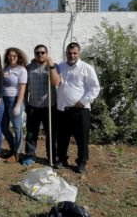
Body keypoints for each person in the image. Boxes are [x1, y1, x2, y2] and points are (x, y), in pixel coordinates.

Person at [52, 42, 100, 174]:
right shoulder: (60, 67)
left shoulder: (86, 68)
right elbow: (55, 81)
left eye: (74, 53)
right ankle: (62, 159)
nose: (72, 55)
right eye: (69, 53)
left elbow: (95, 87)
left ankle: (81, 162)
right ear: (66, 53)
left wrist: (84, 101)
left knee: (82, 138)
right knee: (62, 137)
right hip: (63, 109)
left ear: (79, 53)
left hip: (81, 110)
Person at [22, 45, 60, 166]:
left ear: (47, 53)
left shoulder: (54, 66)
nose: (40, 55)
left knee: (51, 133)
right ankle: (30, 155)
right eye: (37, 53)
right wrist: (25, 103)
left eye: (43, 53)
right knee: (31, 133)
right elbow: (25, 87)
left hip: (50, 105)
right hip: (33, 105)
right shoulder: (29, 68)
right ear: (34, 54)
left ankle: (52, 156)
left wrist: (52, 66)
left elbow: (56, 82)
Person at [1, 47, 28, 162]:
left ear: (18, 57)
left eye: (14, 56)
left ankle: (17, 153)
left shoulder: (21, 70)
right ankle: (12, 149)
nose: (12, 58)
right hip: (4, 100)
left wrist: (18, 105)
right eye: (10, 55)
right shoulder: (5, 69)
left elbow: (22, 89)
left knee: (17, 128)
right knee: (3, 126)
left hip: (15, 100)